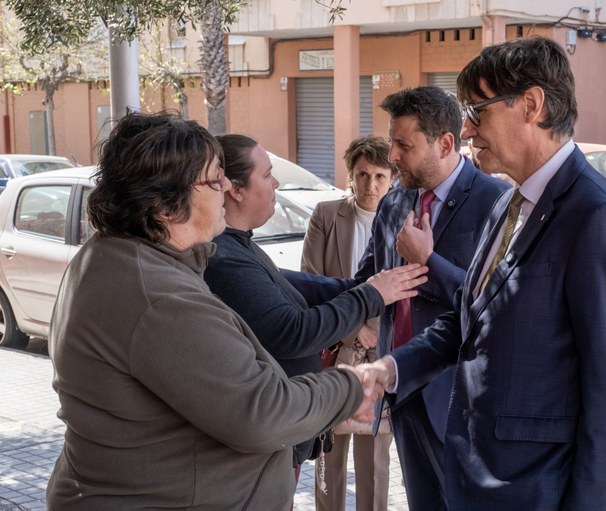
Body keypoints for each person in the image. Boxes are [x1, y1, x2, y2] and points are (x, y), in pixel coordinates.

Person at [359, 37, 606, 510]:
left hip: (537, 490)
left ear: (531, 105)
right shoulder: (508, 204)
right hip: (479, 477)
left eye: (477, 111)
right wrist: (390, 369)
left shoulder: (597, 215)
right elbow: (468, 319)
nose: (467, 130)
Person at [45, 112, 387, 510]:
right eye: (213, 179)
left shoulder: (121, 256)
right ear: (166, 206)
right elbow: (263, 413)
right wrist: (353, 385)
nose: (226, 187)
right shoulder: (159, 297)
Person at [203, 134, 426, 467]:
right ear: (235, 189)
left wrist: (368, 285)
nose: (276, 183)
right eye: (267, 175)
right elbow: (293, 332)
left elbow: (299, 284)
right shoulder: (225, 256)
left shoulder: (239, 245)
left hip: (283, 434)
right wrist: (370, 295)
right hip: (271, 442)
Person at [353, 86, 509, 510]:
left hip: (462, 399)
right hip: (403, 389)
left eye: (404, 145)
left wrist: (428, 261)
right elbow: (366, 283)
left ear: (444, 143)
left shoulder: (496, 203)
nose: (392, 156)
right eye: (392, 143)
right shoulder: (393, 203)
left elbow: (496, 306)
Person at [301, 135, 397, 511]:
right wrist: (358, 329)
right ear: (350, 175)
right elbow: (312, 281)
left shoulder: (404, 220)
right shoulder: (327, 216)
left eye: (380, 176)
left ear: (392, 179)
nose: (371, 184)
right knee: (329, 452)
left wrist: (379, 334)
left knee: (375, 459)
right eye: (363, 174)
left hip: (382, 353)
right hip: (333, 347)